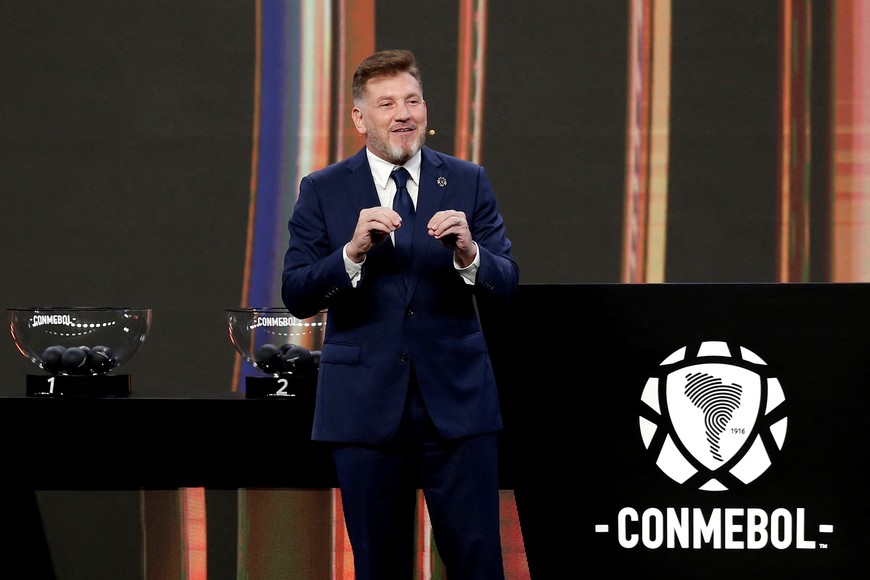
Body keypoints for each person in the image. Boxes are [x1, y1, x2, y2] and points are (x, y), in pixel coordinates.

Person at [281, 48, 519, 580]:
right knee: (379, 565)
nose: (403, 114)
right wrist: (352, 253)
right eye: (387, 104)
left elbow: (507, 284)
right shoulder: (323, 189)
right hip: (364, 408)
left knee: (479, 563)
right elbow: (296, 292)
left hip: (457, 406)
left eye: (412, 100)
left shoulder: (467, 179)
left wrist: (470, 254)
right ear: (360, 118)